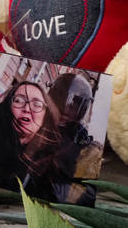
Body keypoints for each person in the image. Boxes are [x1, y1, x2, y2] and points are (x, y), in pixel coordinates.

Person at [48, 73, 100, 206]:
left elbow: (88, 194)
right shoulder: (29, 125)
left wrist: (47, 188)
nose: (66, 109)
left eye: (74, 106)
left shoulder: (85, 148)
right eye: (60, 99)